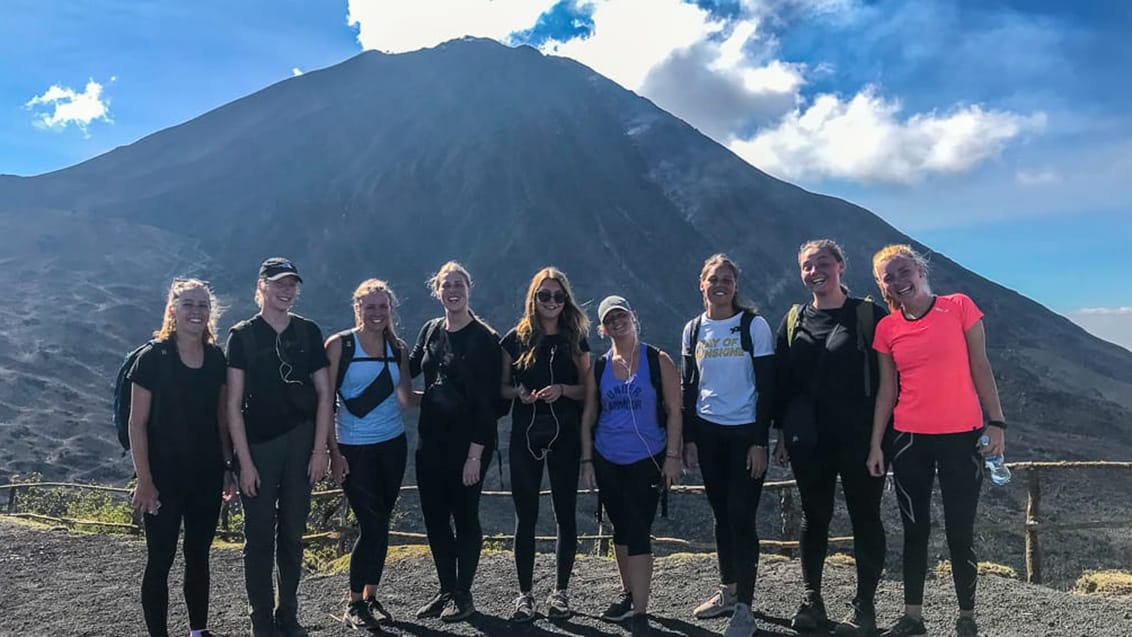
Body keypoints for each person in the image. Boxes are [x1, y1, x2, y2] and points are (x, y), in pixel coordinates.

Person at [866, 244, 1007, 637]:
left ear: (919, 269)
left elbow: (981, 366)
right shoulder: (887, 328)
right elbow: (886, 391)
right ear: (882, 286)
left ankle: (966, 617)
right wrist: (877, 444)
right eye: (887, 277)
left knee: (960, 531)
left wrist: (996, 422)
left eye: (902, 271)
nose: (897, 281)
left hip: (962, 439)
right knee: (916, 531)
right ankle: (913, 617)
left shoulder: (959, 306)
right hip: (910, 440)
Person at [772, 240, 889, 636]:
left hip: (861, 439)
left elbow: (890, 381)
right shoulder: (793, 320)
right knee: (814, 517)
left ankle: (865, 607)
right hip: (810, 439)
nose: (814, 271)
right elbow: (783, 383)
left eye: (823, 263)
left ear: (840, 266)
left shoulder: (869, 315)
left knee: (865, 518)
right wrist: (782, 434)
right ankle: (812, 599)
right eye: (807, 265)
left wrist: (879, 442)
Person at [226, 258, 332, 637]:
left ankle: (288, 613)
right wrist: (244, 462)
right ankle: (261, 620)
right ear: (261, 286)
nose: (286, 290)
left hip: (301, 444)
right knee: (257, 537)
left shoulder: (308, 332)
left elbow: (324, 393)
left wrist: (320, 451)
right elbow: (233, 405)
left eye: (292, 284)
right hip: (258, 446)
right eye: (278, 284)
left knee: (292, 532)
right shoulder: (242, 335)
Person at [128, 278, 233, 637]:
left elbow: (221, 419)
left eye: (203, 305)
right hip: (162, 478)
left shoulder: (217, 358)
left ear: (210, 312)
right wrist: (144, 480)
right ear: (173, 309)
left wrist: (227, 467)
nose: (196, 312)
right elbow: (137, 424)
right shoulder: (152, 358)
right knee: (160, 559)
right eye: (188, 304)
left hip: (205, 475)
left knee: (199, 556)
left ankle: (197, 631)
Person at [680, 254, 775, 637]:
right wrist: (688, 438)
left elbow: (768, 388)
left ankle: (746, 609)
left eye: (727, 279)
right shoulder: (693, 329)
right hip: (708, 434)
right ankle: (728, 591)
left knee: (741, 516)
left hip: (744, 434)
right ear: (701, 284)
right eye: (712, 279)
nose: (719, 285)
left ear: (736, 285)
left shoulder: (754, 326)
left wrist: (760, 441)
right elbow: (689, 387)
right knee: (722, 518)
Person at [581, 295, 683, 637]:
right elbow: (590, 415)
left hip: (647, 459)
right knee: (620, 530)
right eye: (609, 320)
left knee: (638, 530)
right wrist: (588, 460)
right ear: (602, 328)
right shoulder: (600, 366)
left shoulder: (658, 360)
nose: (616, 323)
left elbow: (674, 411)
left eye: (621, 316)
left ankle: (640, 612)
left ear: (633, 316)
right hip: (608, 458)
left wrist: (672, 457)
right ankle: (628, 596)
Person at [409, 261, 503, 623]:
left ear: (469, 289)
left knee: (465, 517)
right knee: (434, 519)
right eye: (446, 284)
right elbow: (412, 366)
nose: (452, 290)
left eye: (458, 284)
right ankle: (446, 589)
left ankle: (464, 593)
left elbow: (488, 404)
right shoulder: (431, 330)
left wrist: (475, 455)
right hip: (430, 440)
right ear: (437, 291)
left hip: (468, 445)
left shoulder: (484, 339)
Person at [500, 267, 591, 622]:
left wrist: (563, 390)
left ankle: (561, 593)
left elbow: (588, 390)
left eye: (558, 296)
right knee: (526, 518)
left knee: (565, 515)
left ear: (565, 301)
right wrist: (519, 393)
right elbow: (501, 387)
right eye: (544, 295)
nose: (551, 302)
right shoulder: (514, 339)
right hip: (525, 436)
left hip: (565, 436)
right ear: (533, 298)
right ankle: (525, 595)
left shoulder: (576, 339)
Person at [324, 279, 416, 630]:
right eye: (370, 306)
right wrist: (332, 451)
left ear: (390, 309)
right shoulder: (339, 346)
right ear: (357, 308)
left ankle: (370, 595)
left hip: (392, 445)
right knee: (372, 523)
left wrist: (457, 398)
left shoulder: (398, 348)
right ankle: (353, 601)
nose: (377, 313)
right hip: (353, 447)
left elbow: (406, 399)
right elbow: (325, 401)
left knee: (381, 524)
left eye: (383, 307)